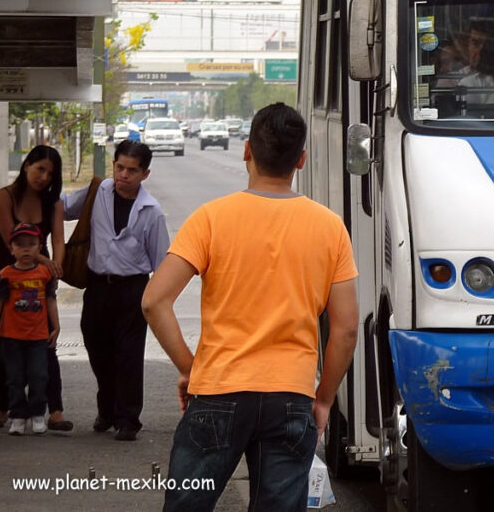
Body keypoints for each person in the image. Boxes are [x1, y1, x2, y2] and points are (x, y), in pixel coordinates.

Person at [142, 102, 359, 511]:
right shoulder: (330, 228)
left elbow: (154, 301)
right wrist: (324, 398)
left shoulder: (211, 218)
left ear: (246, 151)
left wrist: (191, 369)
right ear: (301, 160)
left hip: (218, 390)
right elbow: (345, 330)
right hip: (291, 397)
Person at [62, 140, 169, 441]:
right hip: (97, 286)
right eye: (119, 167)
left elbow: (162, 264)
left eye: (132, 170)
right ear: (113, 166)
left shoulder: (152, 212)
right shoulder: (98, 192)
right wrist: (28, 199)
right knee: (97, 349)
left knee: (129, 355)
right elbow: (65, 207)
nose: (124, 175)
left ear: (145, 174)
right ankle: (106, 410)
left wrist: (157, 304)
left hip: (132, 290)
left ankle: (128, 419)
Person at [0, 145, 72, 431]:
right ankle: (3, 408)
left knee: (46, 343)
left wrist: (55, 269)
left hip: (39, 280)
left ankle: (55, 410)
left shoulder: (53, 203)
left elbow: (59, 240)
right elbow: (12, 240)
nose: (44, 177)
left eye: (50, 173)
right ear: (27, 166)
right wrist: (45, 262)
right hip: (4, 276)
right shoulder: (4, 196)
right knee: (6, 347)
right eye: (40, 168)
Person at [0, 223, 59, 435]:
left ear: (40, 248)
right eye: (20, 245)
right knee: (14, 377)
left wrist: (55, 326)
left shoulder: (44, 274)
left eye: (31, 244)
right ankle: (18, 415)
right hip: (11, 336)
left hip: (38, 336)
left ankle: (38, 413)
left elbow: (50, 300)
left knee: (39, 374)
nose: (26, 249)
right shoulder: (6, 275)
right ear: (11, 249)